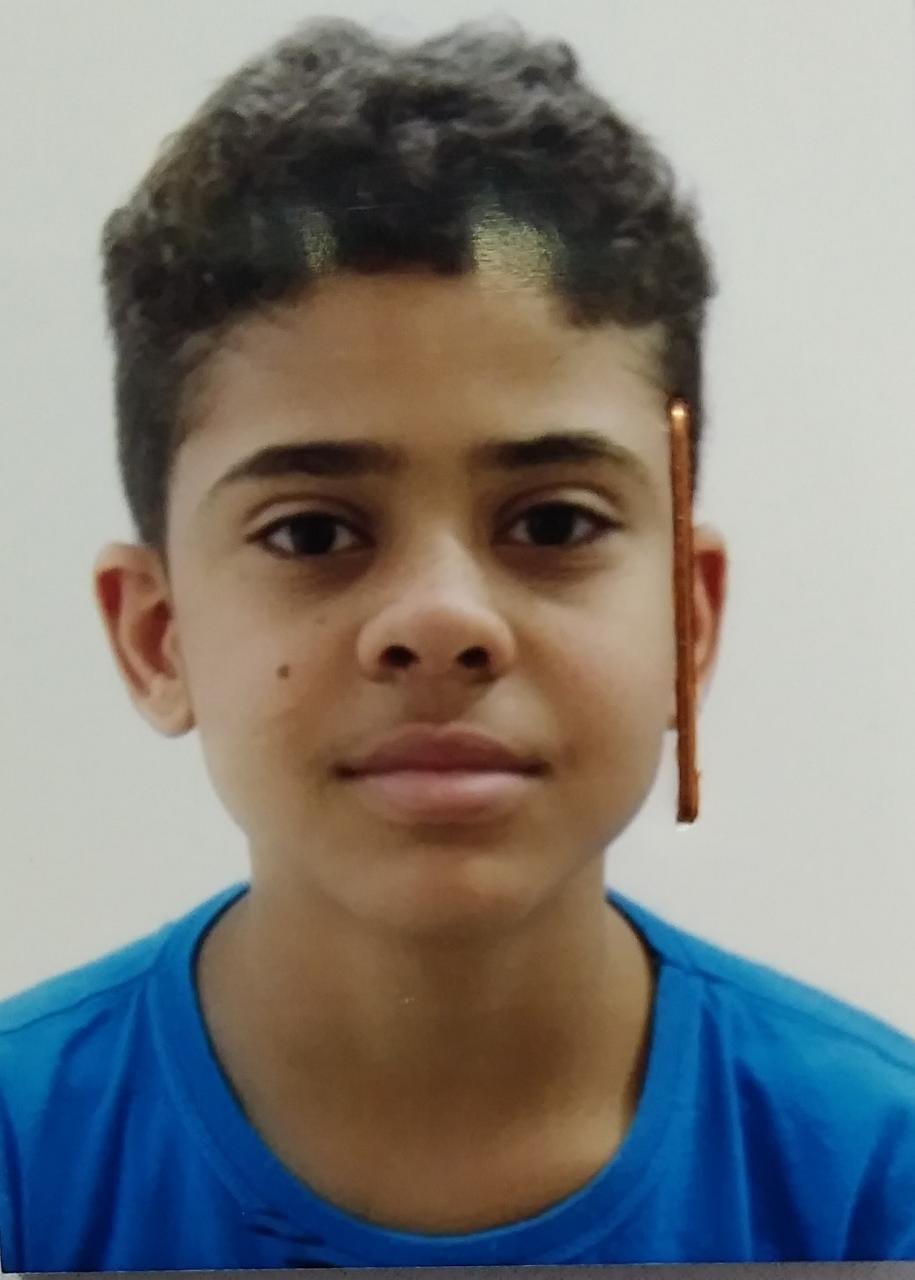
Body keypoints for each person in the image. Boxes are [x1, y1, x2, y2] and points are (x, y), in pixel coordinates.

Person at [1, 16, 913, 1272]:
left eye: (552, 522)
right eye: (314, 531)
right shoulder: (24, 1160)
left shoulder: (872, 1181)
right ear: (157, 636)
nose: (441, 620)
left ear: (686, 619)